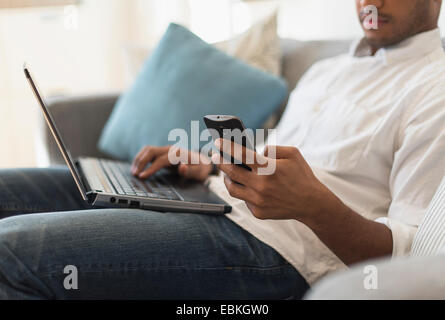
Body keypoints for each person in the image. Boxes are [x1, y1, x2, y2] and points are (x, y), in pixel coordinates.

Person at [0, 0, 444, 299]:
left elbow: (411, 258)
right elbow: (271, 160)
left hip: (272, 248)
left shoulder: (435, 88)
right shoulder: (328, 71)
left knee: (10, 252)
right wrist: (207, 166)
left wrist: (316, 208)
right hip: (215, 201)